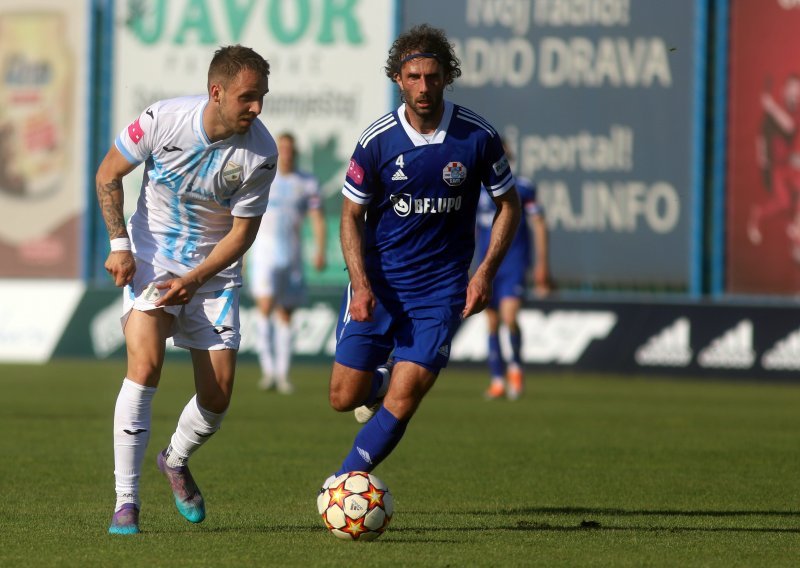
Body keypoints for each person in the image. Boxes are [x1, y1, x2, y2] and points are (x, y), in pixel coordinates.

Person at [322, 24, 521, 488]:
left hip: (441, 289)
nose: (424, 87)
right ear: (398, 78)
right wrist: (362, 286)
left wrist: (484, 273)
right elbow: (350, 215)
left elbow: (508, 205)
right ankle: (380, 378)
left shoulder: (477, 137)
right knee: (342, 396)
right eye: (414, 77)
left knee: (408, 393)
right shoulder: (377, 142)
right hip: (381, 282)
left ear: (447, 76)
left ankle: (345, 481)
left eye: (432, 77)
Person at [96, 45, 277, 535]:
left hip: (213, 274)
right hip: (154, 260)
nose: (256, 107)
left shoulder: (261, 152)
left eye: (261, 97)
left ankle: (174, 459)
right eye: (247, 97)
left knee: (217, 399)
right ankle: (126, 502)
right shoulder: (162, 119)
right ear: (216, 92)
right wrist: (120, 245)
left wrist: (194, 279)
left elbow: (242, 234)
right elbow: (109, 173)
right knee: (145, 366)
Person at [247, 132, 326, 394]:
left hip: (291, 254)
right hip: (264, 252)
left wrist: (320, 249)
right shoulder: (263, 176)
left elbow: (316, 217)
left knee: (286, 312)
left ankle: (282, 374)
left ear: (296, 152)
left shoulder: (307, 183)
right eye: (283, 149)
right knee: (266, 306)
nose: (287, 154)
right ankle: (267, 370)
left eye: (291, 149)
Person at [477, 165, 552, 401]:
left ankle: (516, 369)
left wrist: (542, 263)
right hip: (486, 265)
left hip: (514, 263)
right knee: (491, 322)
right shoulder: (476, 189)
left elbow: (539, 223)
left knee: (510, 317)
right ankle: (497, 380)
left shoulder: (522, 187)